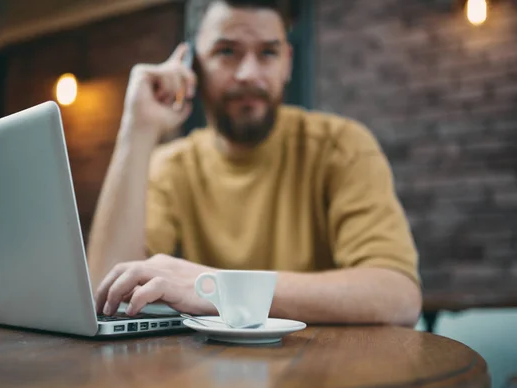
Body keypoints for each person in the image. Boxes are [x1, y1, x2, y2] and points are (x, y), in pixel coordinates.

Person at [87, 0, 422, 326]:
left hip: (323, 373)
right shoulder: (170, 167)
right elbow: (105, 294)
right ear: (192, 64)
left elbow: (398, 295)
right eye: (227, 52)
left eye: (268, 53)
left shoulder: (342, 146)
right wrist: (138, 128)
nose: (249, 73)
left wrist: (217, 288)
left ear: (287, 62)